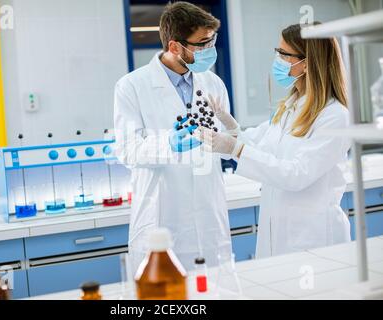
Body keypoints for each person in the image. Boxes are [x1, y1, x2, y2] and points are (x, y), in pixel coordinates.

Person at [199, 22, 352, 258]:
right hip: (277, 233)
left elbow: (296, 175)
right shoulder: (291, 106)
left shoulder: (334, 116)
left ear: (308, 62)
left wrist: (236, 148)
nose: (277, 59)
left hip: (314, 239)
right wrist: (231, 129)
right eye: (277, 52)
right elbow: (260, 145)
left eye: (283, 54)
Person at [113, 2, 232, 272]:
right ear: (175, 46)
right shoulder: (132, 86)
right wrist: (167, 144)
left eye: (212, 40)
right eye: (202, 43)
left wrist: (232, 140)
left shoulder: (213, 83)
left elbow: (225, 144)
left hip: (209, 215)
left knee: (214, 289)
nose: (209, 49)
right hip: (162, 216)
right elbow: (127, 150)